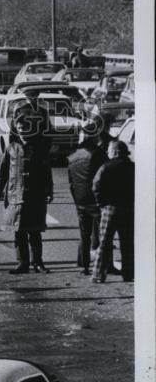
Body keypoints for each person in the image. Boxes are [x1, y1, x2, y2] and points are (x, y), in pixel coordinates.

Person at [0, 103, 53, 274]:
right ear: (16, 129)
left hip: (35, 195)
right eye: (20, 127)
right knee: (18, 231)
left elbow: (47, 171)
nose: (23, 130)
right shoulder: (11, 149)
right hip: (15, 195)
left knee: (35, 231)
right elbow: (2, 173)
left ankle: (38, 263)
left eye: (26, 127)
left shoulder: (39, 147)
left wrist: (49, 191)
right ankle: (22, 263)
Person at [66, 120, 107, 275]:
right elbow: (104, 177)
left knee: (84, 233)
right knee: (101, 233)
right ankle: (102, 264)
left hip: (81, 200)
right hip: (96, 199)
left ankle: (84, 265)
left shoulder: (73, 156)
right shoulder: (98, 154)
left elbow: (71, 183)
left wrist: (77, 200)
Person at [92, 138, 135, 283]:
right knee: (127, 243)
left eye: (109, 150)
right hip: (129, 208)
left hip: (110, 207)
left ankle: (98, 274)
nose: (107, 152)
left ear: (115, 152)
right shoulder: (133, 167)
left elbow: (96, 186)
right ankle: (128, 273)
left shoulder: (105, 167)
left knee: (104, 242)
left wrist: (101, 204)